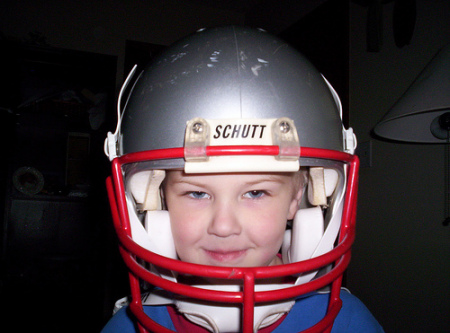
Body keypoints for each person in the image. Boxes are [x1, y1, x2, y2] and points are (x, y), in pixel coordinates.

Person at [102, 26, 384, 332]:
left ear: (297, 198)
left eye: (255, 193)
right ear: (155, 201)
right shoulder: (128, 325)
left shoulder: (348, 320)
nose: (224, 227)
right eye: (197, 194)